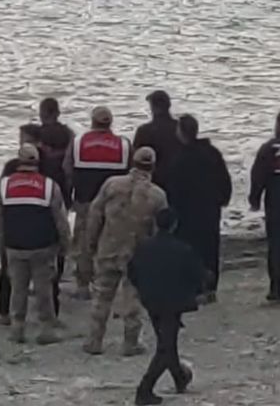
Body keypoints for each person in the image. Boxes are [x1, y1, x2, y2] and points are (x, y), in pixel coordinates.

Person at [84, 146, 168, 356]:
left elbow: (95, 215)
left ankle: (94, 340)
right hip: (137, 252)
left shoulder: (111, 184)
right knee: (133, 299)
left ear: (132, 162)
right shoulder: (158, 195)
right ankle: (131, 342)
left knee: (102, 295)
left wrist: (90, 243)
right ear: (153, 167)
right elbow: (160, 229)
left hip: (109, 247)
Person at [0, 145, 71, 345]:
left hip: (14, 245)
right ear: (38, 162)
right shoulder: (49, 186)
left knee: (18, 288)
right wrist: (65, 244)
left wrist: (0, 246)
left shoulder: (4, 185)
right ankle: (46, 330)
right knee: (44, 289)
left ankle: (17, 328)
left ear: (18, 161)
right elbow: (60, 219)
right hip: (43, 245)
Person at [128, 209, 203, 405]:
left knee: (166, 342)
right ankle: (144, 389)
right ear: (174, 225)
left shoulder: (143, 248)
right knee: (165, 347)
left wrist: (144, 289)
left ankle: (179, 377)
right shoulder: (182, 249)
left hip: (151, 300)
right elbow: (197, 275)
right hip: (173, 302)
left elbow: (132, 272)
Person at [63, 105, 131, 294]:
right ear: (111, 123)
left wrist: (69, 196)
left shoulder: (78, 143)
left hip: (85, 200)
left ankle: (83, 286)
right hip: (115, 203)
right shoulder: (124, 145)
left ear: (92, 122)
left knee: (84, 242)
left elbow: (67, 171)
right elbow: (130, 174)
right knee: (113, 242)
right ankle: (107, 284)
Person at [164, 115, 230, 301]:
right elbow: (224, 178)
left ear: (181, 133)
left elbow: (173, 188)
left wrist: (172, 209)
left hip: (187, 211)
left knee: (190, 248)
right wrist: (224, 198)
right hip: (210, 209)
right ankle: (210, 288)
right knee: (210, 248)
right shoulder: (212, 153)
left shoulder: (179, 158)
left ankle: (194, 288)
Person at [248, 112, 280, 301]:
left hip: (275, 204)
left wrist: (255, 199)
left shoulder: (267, 149)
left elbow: (258, 175)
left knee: (275, 246)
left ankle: (276, 287)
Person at [134, 91, 183, 190]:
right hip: (179, 181)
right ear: (169, 106)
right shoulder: (181, 128)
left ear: (153, 108)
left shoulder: (144, 131)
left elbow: (136, 159)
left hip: (153, 183)